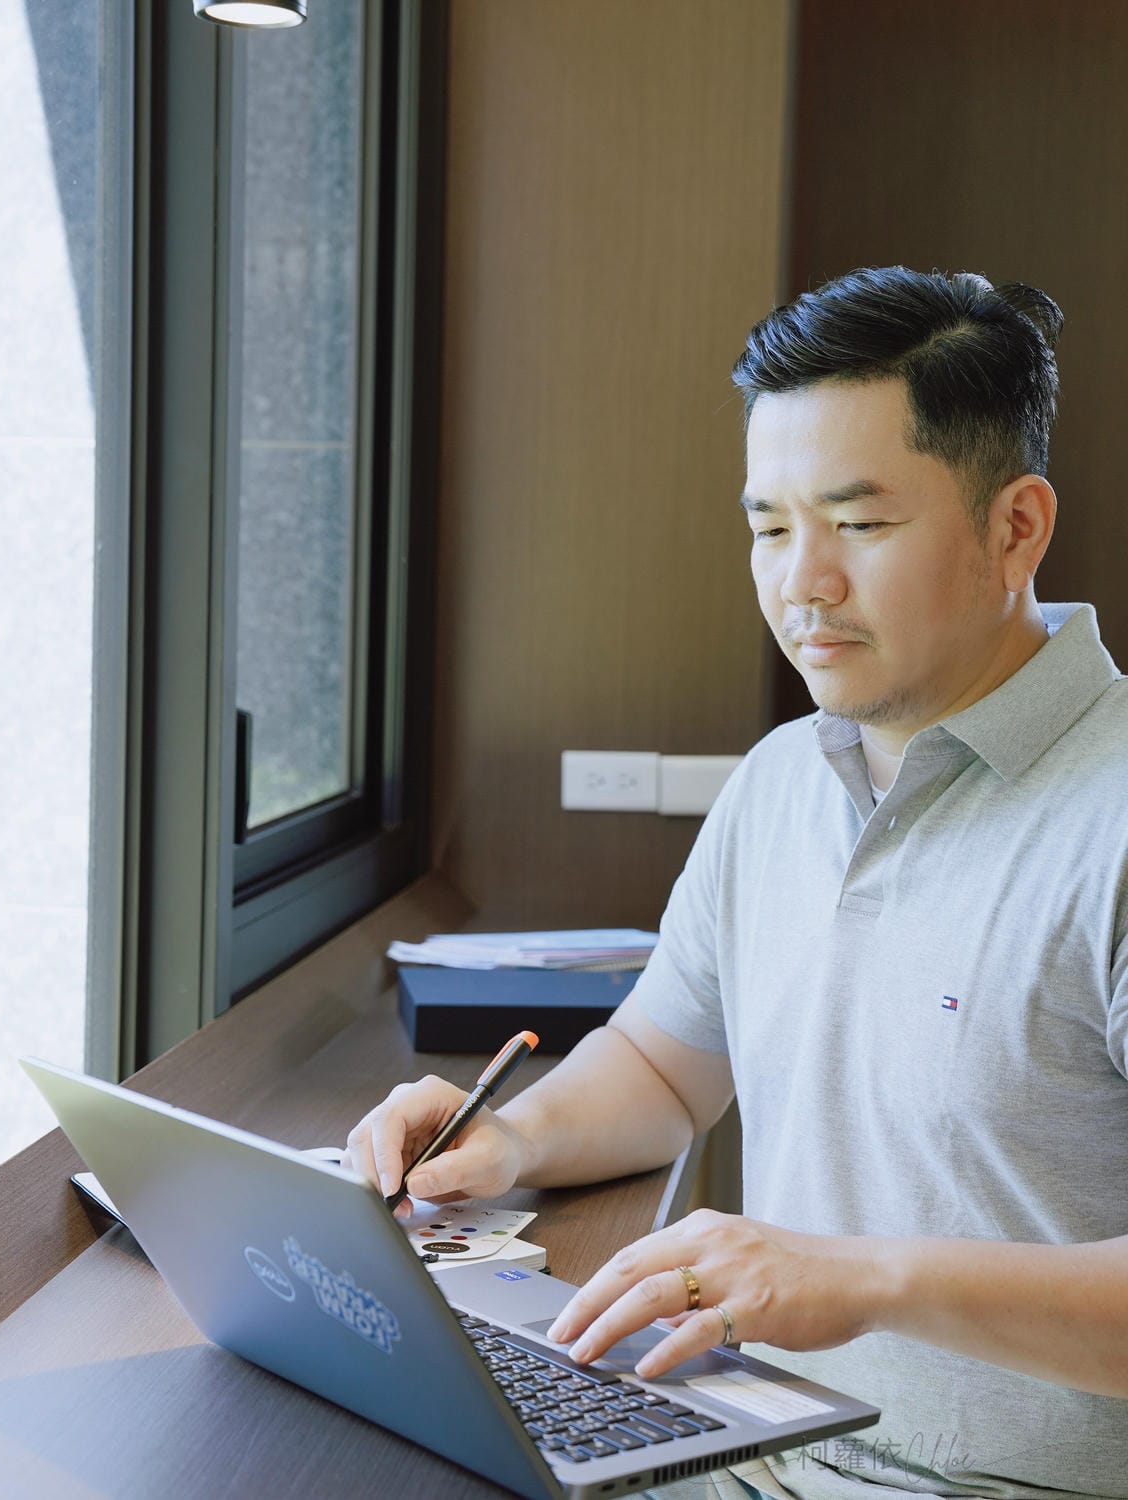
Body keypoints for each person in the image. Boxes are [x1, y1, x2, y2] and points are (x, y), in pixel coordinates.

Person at [344, 266, 1128, 1499]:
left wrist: (861, 1277)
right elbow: (665, 1067)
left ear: (1016, 528)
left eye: (859, 525)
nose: (802, 582)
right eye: (770, 528)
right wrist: (502, 1141)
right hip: (752, 1448)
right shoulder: (780, 781)